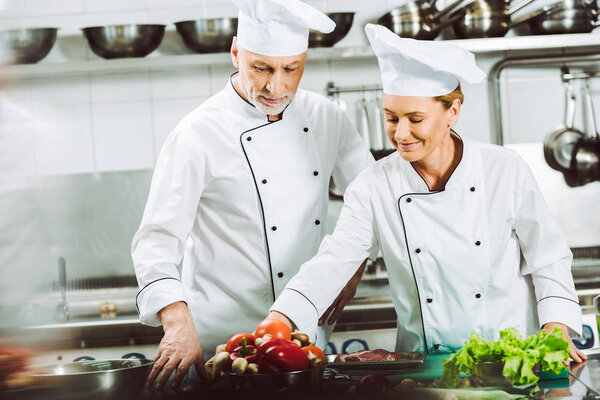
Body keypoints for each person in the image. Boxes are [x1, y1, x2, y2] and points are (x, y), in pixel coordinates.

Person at [266, 24, 586, 363]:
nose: (401, 133)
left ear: (453, 112)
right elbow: (334, 259)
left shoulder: (503, 170)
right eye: (391, 118)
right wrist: (280, 319)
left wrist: (557, 326)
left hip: (507, 361)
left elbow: (548, 256)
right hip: (422, 370)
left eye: (415, 119)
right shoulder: (374, 185)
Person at [131, 0, 374, 391]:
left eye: (290, 69)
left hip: (301, 340)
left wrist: (351, 269)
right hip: (221, 343)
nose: (275, 86)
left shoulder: (329, 119)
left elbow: (370, 204)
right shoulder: (197, 133)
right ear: (236, 53)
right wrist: (176, 324)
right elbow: (156, 239)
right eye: (261, 68)